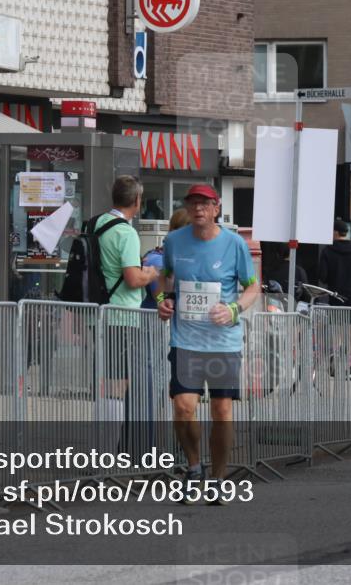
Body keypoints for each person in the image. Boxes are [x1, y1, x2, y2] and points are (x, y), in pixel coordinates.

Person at [156, 183, 259, 504]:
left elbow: (252, 287)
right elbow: (165, 277)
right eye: (193, 203)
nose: (198, 209)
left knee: (221, 410)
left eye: (205, 204)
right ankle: (194, 466)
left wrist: (233, 308)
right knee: (183, 407)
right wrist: (163, 299)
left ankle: (218, 476)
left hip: (224, 342)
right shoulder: (174, 241)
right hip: (185, 339)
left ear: (216, 208)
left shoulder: (234, 244)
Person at [96, 176, 160, 450]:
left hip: (102, 310)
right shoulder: (126, 233)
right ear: (137, 201)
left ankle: (106, 447)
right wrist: (150, 273)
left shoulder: (98, 224)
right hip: (123, 315)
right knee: (118, 384)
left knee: (108, 381)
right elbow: (133, 279)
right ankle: (110, 451)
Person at [141, 208, 191, 309]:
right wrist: (166, 301)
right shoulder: (159, 260)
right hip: (156, 320)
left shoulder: (163, 256)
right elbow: (159, 297)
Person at [318, 219, 351, 308]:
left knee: (336, 322)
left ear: (336, 232)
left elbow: (323, 277)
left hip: (336, 300)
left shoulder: (327, 251)